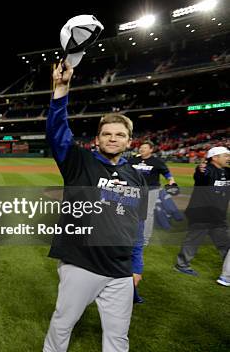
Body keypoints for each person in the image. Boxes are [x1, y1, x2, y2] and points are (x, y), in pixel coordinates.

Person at [43, 60, 147, 352]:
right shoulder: (79, 162)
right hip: (82, 265)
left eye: (120, 135)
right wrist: (61, 88)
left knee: (118, 336)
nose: (113, 138)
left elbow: (137, 224)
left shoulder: (136, 177)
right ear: (97, 138)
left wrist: (136, 266)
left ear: (129, 141)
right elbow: (57, 131)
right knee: (63, 324)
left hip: (120, 270)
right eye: (107, 134)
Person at [175, 146, 230, 277]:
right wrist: (200, 171)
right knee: (193, 240)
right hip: (201, 214)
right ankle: (181, 265)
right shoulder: (207, 170)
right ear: (215, 158)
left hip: (218, 215)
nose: (228, 158)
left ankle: (228, 270)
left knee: (225, 243)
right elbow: (201, 176)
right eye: (226, 155)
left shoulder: (227, 171)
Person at [128, 140, 176, 245]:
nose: (142, 149)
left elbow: (166, 173)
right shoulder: (132, 160)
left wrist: (171, 180)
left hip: (151, 190)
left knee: (148, 214)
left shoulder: (157, 162)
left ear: (151, 150)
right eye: (141, 147)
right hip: (134, 190)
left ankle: (145, 238)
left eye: (145, 148)